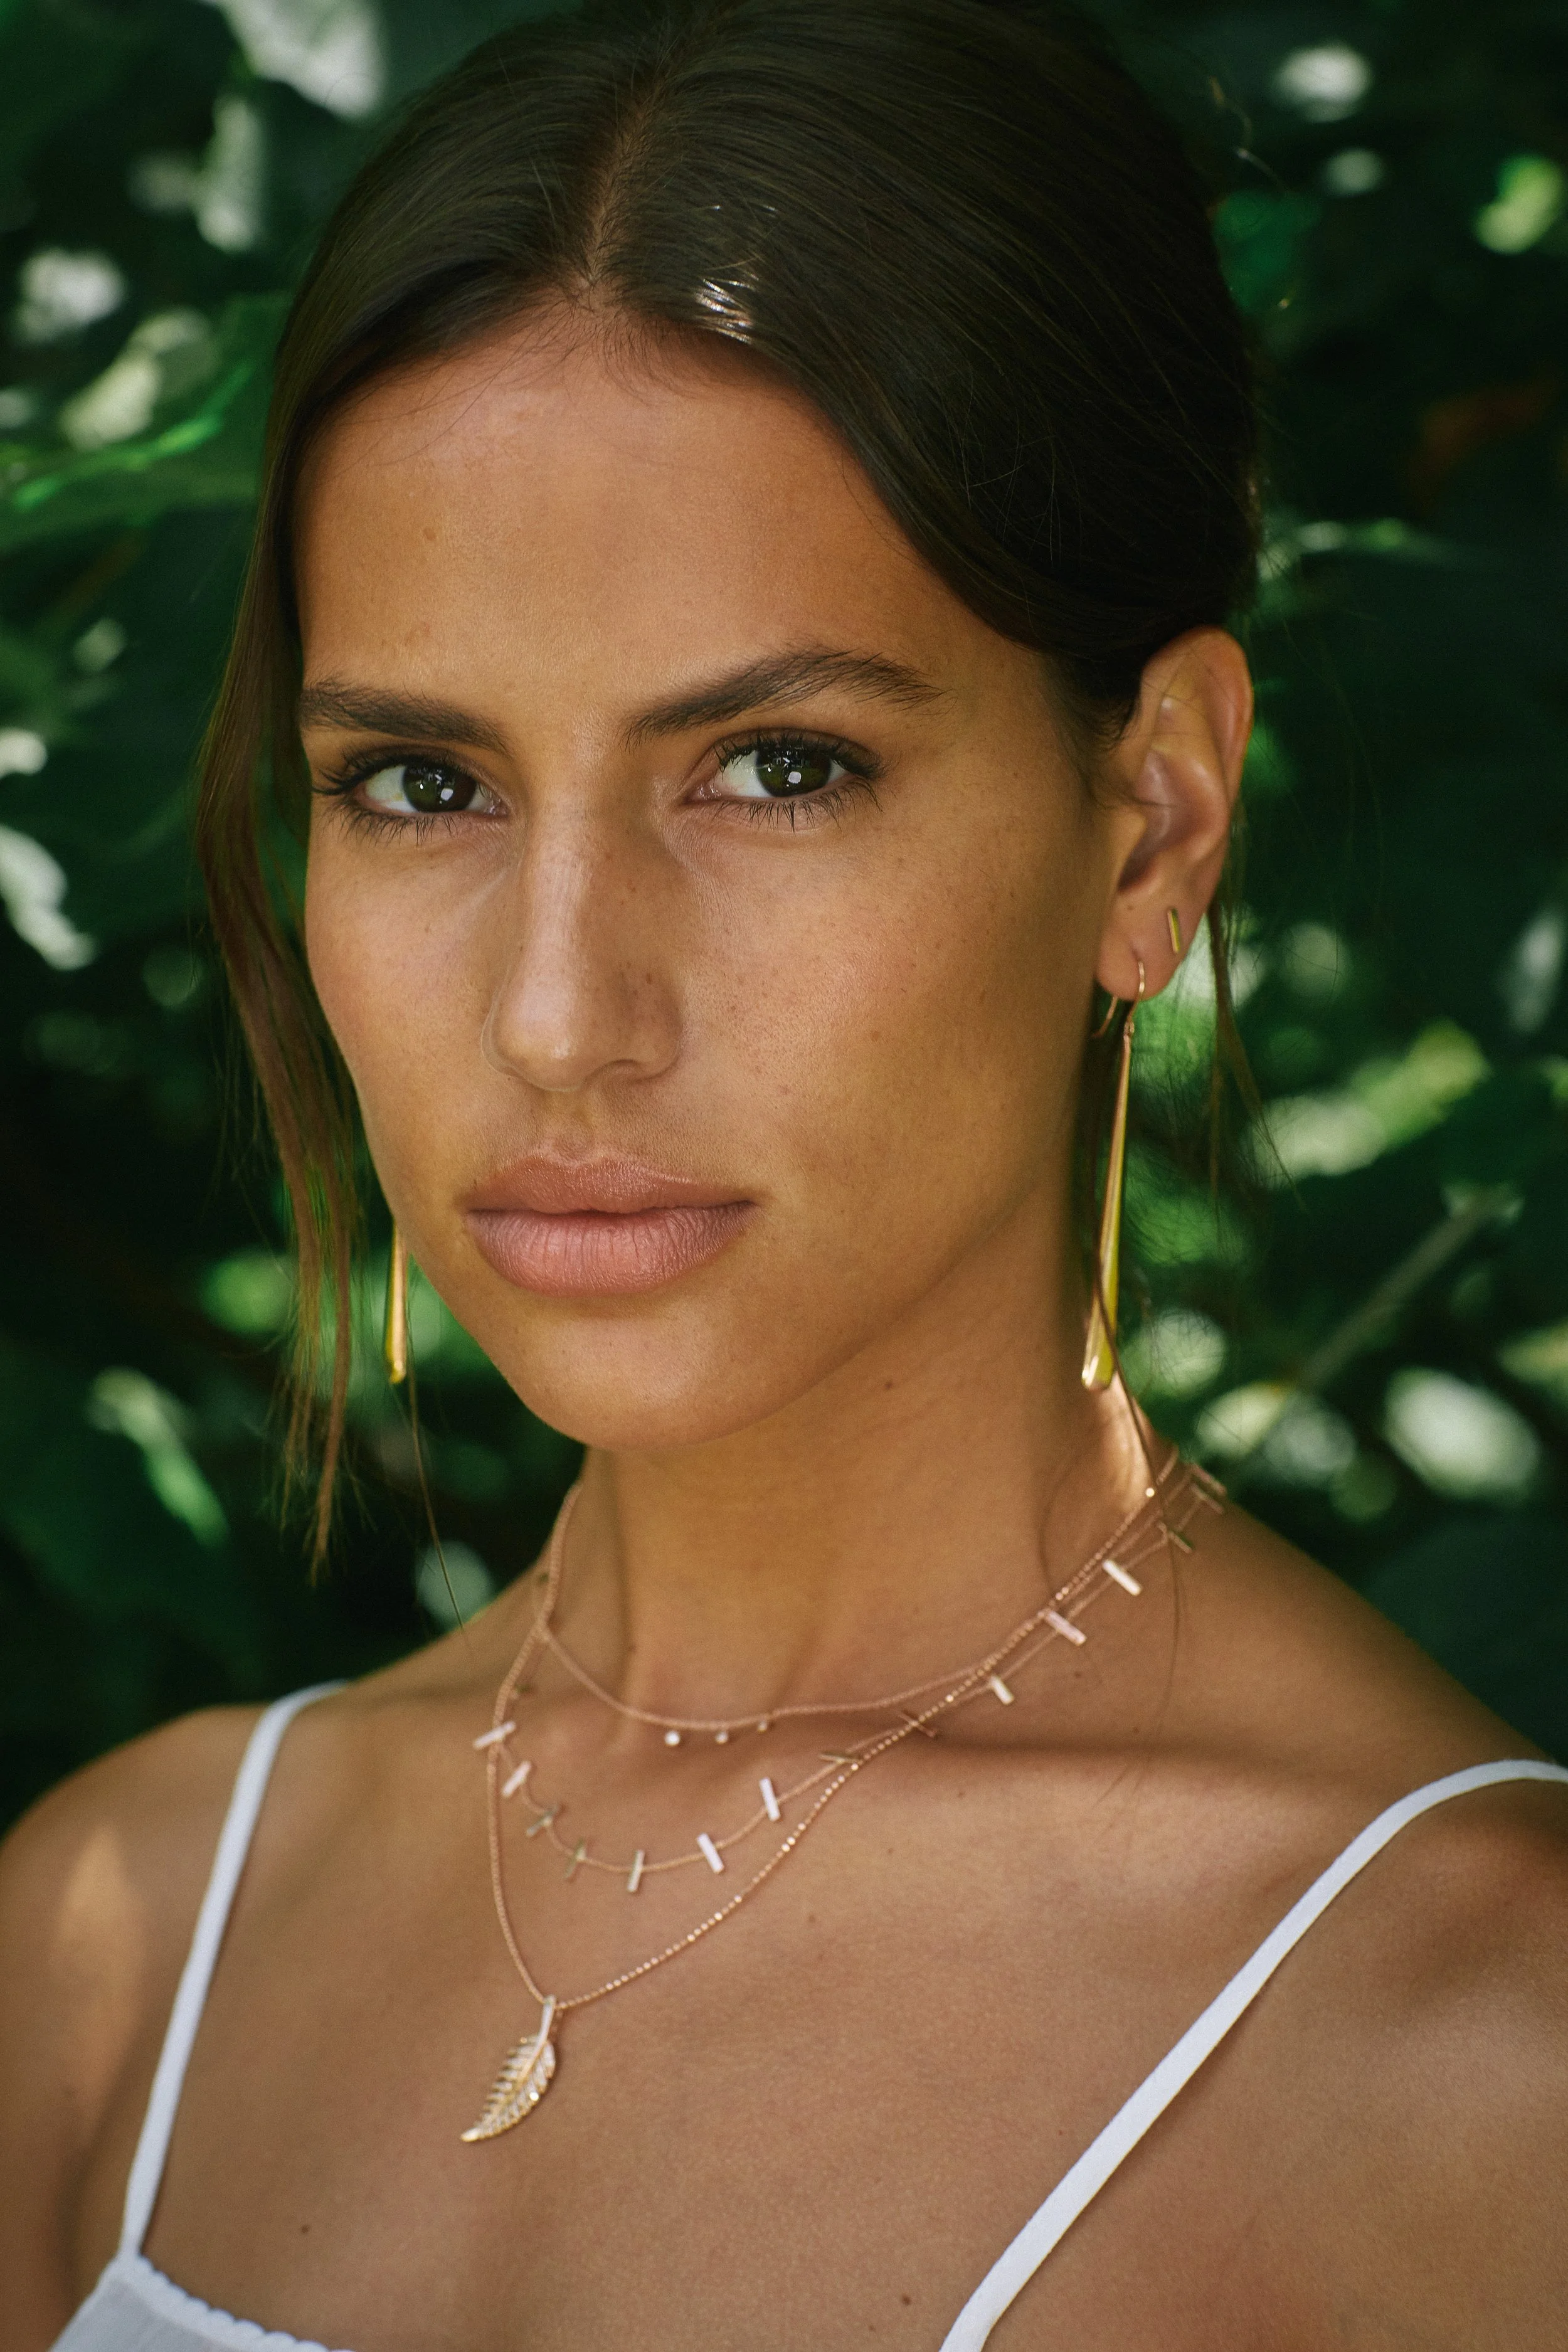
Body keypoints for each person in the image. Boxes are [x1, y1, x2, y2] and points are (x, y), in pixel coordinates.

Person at [4, 1, 1567, 2344]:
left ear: (1154, 822)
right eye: (423, 784)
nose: (558, 1011)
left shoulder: (1478, 2064)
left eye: (775, 768)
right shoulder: (115, 1948)